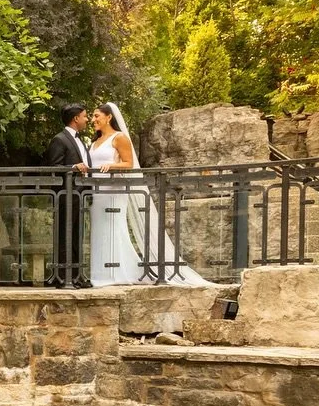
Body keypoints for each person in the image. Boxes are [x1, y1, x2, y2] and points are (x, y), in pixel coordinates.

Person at [87, 102, 209, 286]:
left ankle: (117, 272)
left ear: (109, 117)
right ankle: (101, 273)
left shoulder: (119, 138)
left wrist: (112, 165)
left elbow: (129, 163)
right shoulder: (94, 140)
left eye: (97, 116)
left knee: (114, 228)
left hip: (114, 189)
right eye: (92, 116)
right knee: (100, 230)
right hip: (97, 192)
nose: (93, 119)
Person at [42, 103, 93, 288]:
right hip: (66, 196)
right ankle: (63, 278)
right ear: (76, 118)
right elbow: (53, 168)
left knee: (77, 236)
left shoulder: (80, 140)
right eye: (85, 116)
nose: (87, 120)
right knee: (65, 235)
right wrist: (73, 167)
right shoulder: (59, 139)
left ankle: (77, 276)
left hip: (80, 196)